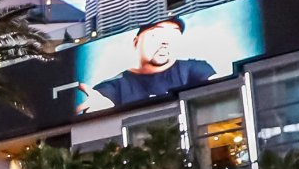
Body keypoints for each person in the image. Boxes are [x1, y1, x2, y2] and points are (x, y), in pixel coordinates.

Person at [76, 15, 218, 111]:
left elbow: (218, 85)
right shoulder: (116, 85)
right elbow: (102, 100)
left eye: (173, 35)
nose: (165, 41)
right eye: (156, 34)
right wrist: (101, 112)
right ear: (136, 42)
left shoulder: (193, 69)